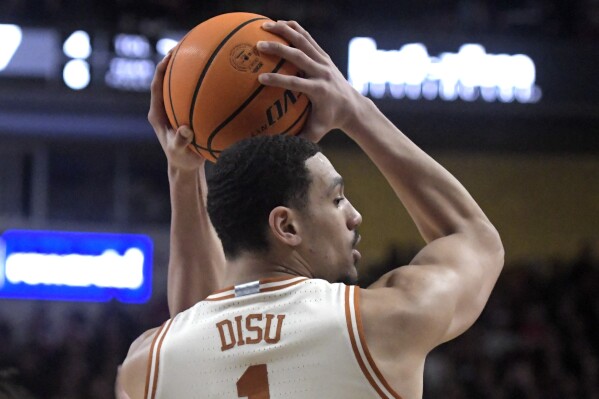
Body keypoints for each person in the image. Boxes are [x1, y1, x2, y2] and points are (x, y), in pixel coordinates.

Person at [118, 20, 504, 399]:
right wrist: (355, 111)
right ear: (286, 225)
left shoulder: (146, 365)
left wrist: (183, 172)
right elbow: (475, 240)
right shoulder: (385, 323)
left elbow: (196, 332)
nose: (354, 216)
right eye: (336, 199)